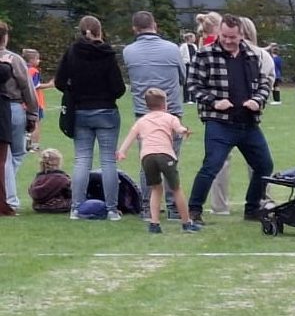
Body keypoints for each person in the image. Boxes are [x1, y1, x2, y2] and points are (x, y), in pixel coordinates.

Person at [185, 17, 275, 222]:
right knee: (212, 165)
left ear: (242, 34)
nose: (227, 40)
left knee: (264, 165)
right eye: (224, 36)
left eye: (232, 37)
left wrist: (257, 100)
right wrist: (214, 101)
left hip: (248, 122)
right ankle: (194, 210)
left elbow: (264, 84)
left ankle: (252, 208)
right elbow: (192, 85)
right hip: (219, 122)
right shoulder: (204, 54)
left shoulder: (253, 55)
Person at [53, 15, 127, 217]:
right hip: (106, 111)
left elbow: (59, 82)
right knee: (108, 161)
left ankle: (76, 208)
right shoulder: (107, 54)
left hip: (81, 110)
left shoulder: (72, 52)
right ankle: (112, 209)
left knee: (82, 159)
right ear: (100, 31)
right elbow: (119, 88)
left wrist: (73, 89)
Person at [115, 88, 193, 233]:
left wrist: (122, 152)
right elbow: (179, 128)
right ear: (165, 104)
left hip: (147, 157)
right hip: (165, 155)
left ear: (147, 106)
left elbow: (131, 136)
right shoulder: (170, 118)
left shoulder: (142, 120)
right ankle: (187, 222)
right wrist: (184, 131)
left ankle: (154, 223)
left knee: (156, 189)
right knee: (176, 188)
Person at [0, 22, 37, 215]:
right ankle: (9, 198)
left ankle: (5, 190)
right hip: (12, 107)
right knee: (14, 153)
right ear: (5, 37)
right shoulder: (13, 59)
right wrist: (33, 112)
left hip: (10, 107)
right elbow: (27, 87)